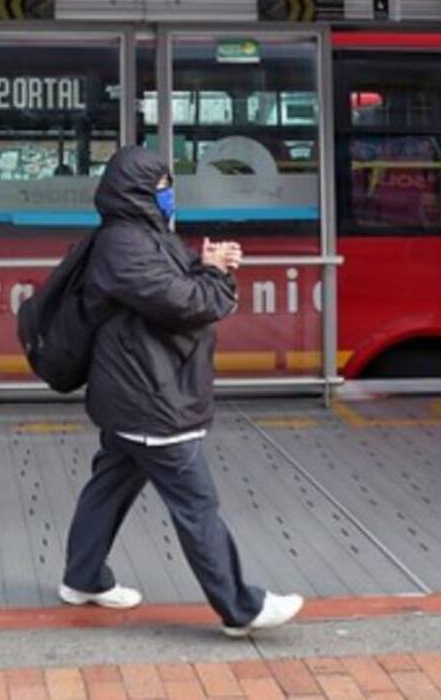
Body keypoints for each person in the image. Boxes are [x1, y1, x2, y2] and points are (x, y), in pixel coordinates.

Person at [59, 145, 304, 637]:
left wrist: (206, 261)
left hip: (132, 394)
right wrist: (212, 275)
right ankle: (241, 608)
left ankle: (82, 577)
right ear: (140, 190)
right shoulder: (124, 246)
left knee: (109, 485)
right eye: (165, 185)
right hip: (151, 397)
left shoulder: (139, 234)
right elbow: (186, 303)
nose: (171, 193)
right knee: (196, 506)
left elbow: (171, 284)